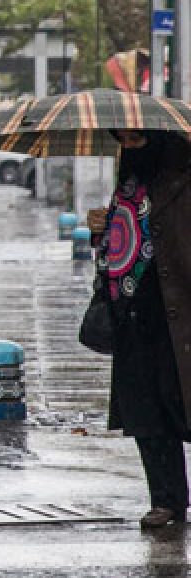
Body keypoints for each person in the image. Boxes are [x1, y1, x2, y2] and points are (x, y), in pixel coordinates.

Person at [86, 129, 191, 529]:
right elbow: (121, 246)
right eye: (123, 141)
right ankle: (166, 500)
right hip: (133, 315)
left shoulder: (181, 179)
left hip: (177, 314)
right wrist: (103, 228)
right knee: (146, 414)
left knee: (178, 404)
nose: (129, 149)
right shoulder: (128, 185)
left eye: (136, 141)